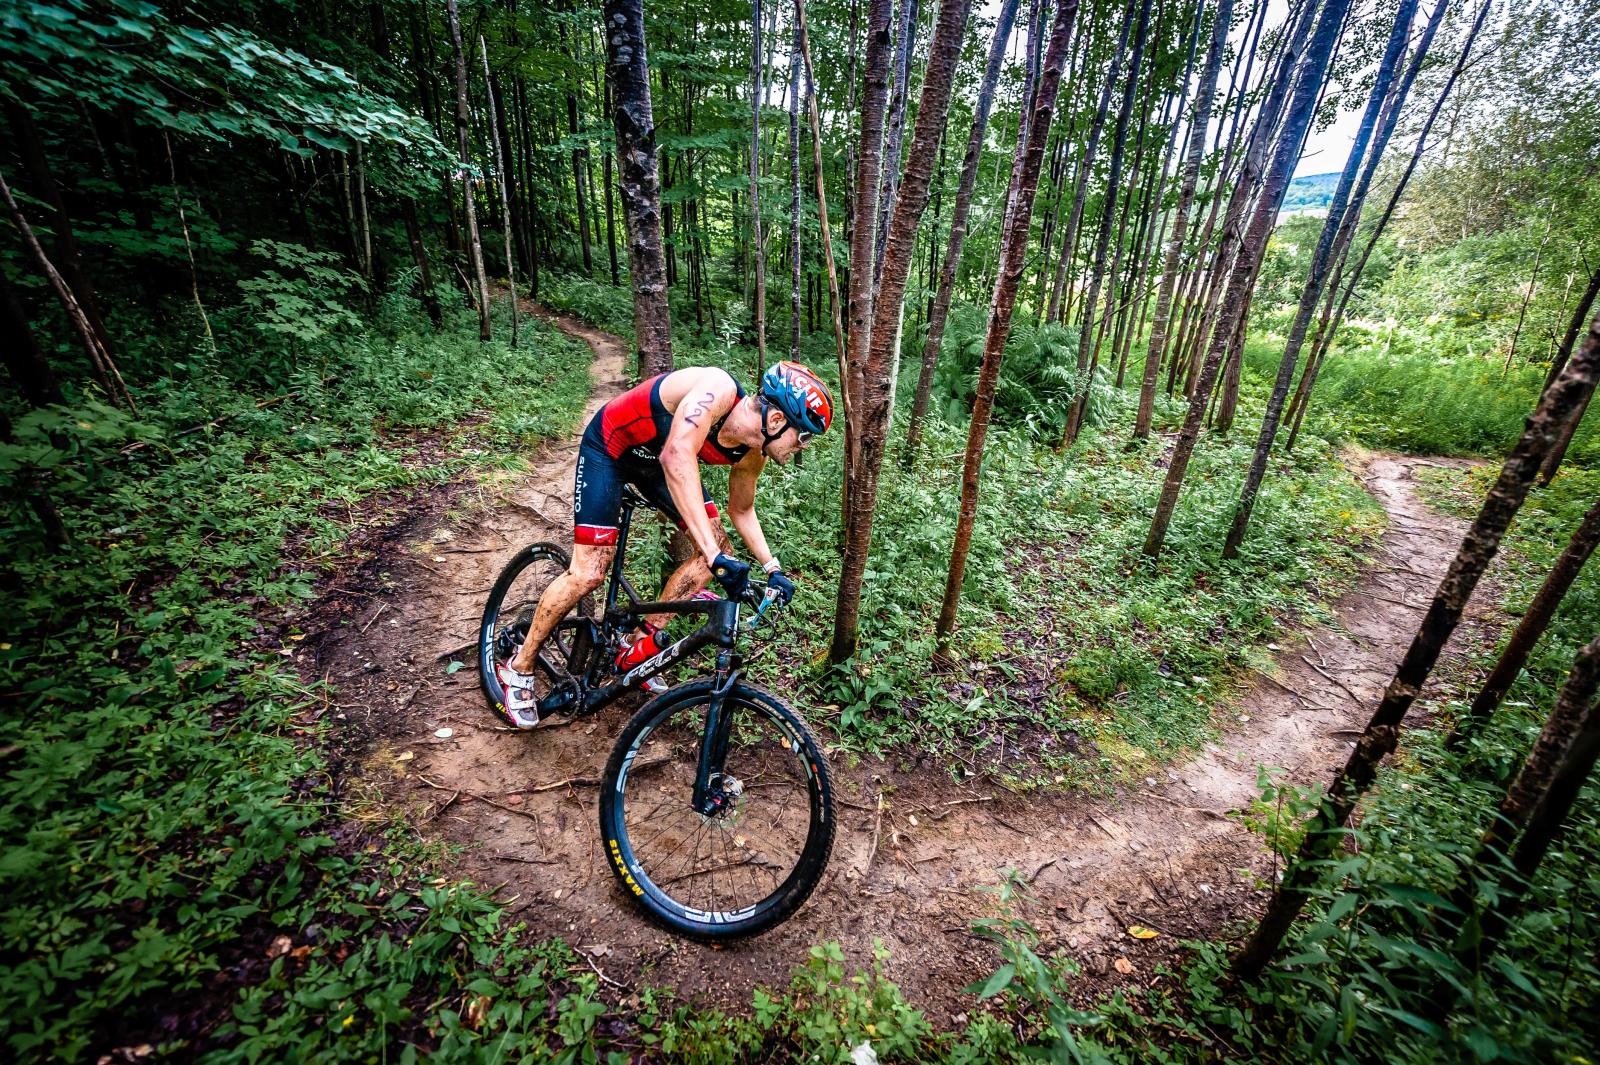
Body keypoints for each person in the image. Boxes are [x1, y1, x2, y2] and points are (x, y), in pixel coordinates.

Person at [493, 360, 833, 728]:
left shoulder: (753, 451)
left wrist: (772, 568)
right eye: (803, 436)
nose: (802, 447)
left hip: (656, 466)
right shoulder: (716, 389)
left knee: (716, 554)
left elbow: (742, 509)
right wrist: (713, 553)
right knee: (589, 572)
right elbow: (677, 454)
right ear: (777, 420)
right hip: (610, 450)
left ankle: (637, 644)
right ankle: (519, 666)